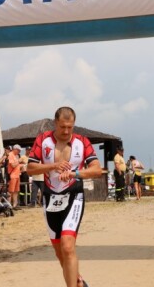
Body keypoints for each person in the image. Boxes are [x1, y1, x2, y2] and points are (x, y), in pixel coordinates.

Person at [27, 106, 101, 287]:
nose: (67, 131)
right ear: (55, 124)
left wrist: (75, 174)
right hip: (50, 198)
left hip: (74, 196)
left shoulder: (82, 142)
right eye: (62, 127)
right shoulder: (43, 141)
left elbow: (97, 170)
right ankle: (79, 284)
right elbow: (30, 169)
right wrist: (53, 166)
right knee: (61, 253)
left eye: (70, 127)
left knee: (68, 247)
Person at [8, 144, 24, 210]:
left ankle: (15, 205)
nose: (19, 151)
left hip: (17, 175)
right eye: (19, 150)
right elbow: (13, 165)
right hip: (12, 176)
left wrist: (22, 165)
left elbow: (17, 165)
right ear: (15, 149)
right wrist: (19, 161)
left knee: (16, 191)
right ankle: (8, 205)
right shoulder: (10, 155)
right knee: (10, 191)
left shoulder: (16, 155)